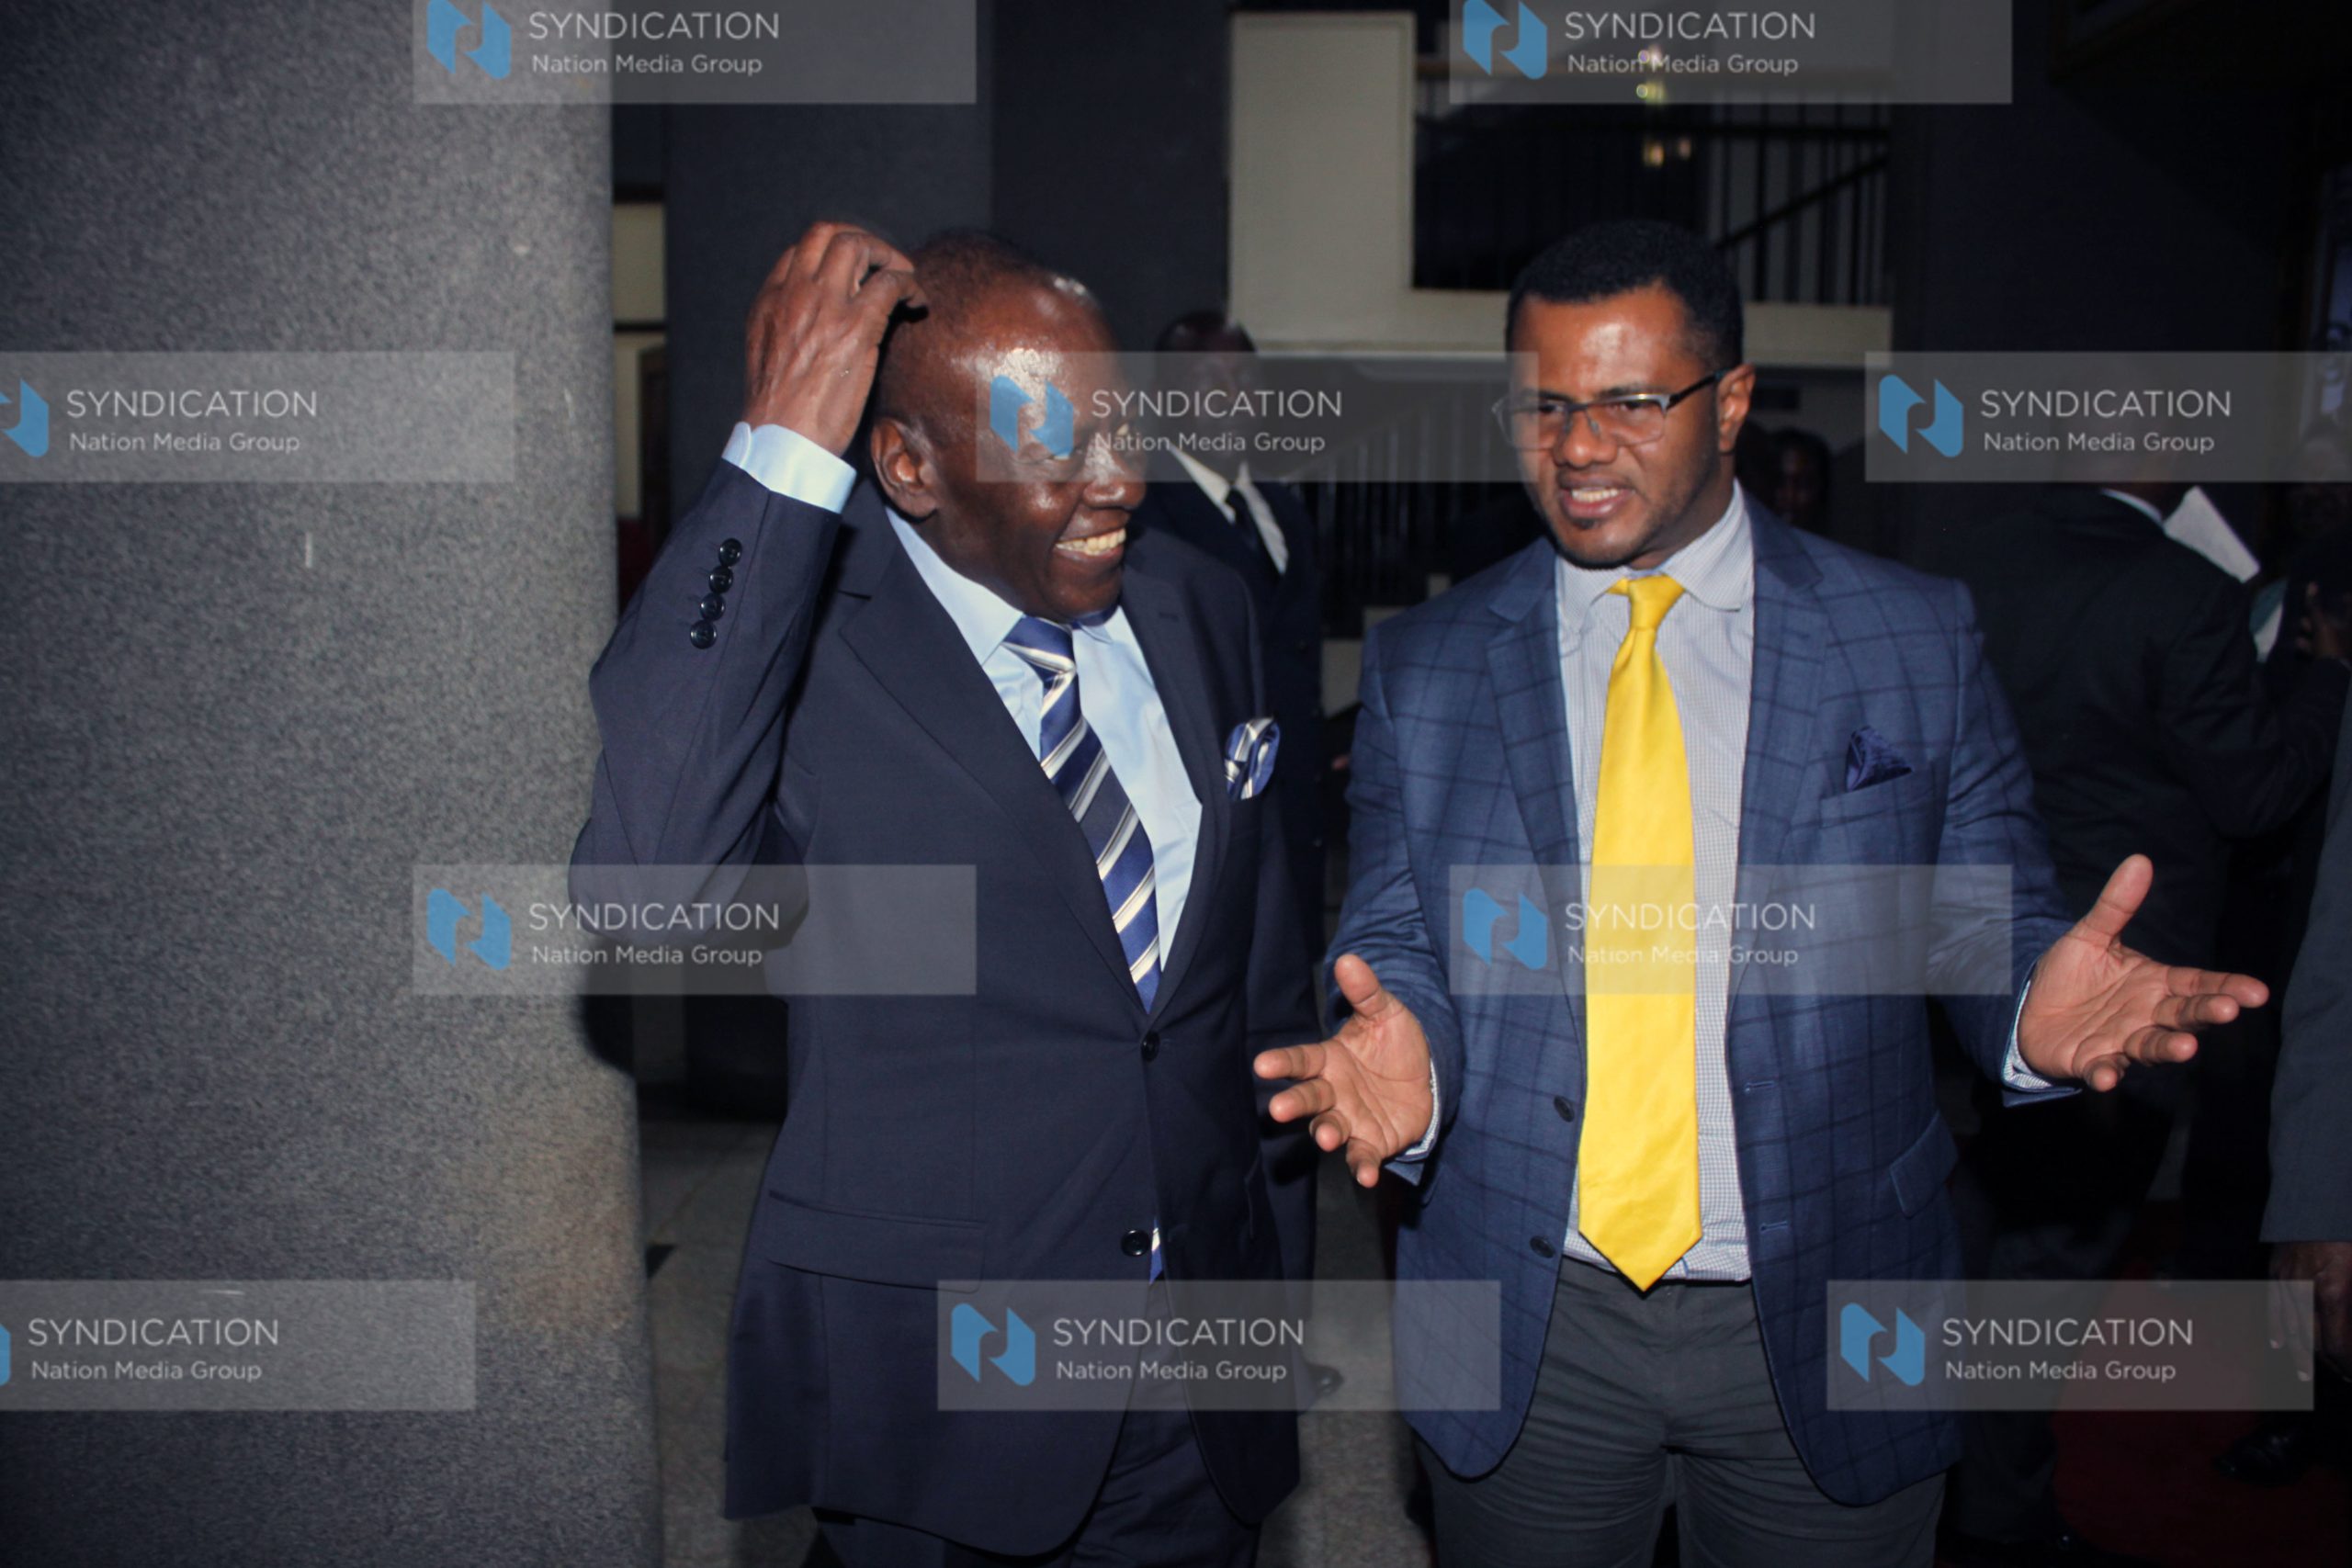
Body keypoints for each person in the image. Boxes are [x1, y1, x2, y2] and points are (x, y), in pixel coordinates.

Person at [1252, 219, 2270, 1566]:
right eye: (1543, 403)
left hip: (1836, 1286)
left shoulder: (1907, 634)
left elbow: (1977, 916)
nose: (1575, 444)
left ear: (1731, 402)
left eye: (1628, 400)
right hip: (1522, 1301)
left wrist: (2027, 1008)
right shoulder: (1430, 663)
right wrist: (1417, 1055)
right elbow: (1391, 931)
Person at [571, 222, 1315, 1566]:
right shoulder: (808, 653)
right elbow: (642, 890)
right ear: (908, 466)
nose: (1124, 481)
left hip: (1199, 1393)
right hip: (947, 1401)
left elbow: (1244, 997)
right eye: (1057, 446)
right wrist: (781, 446)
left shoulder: (1201, 603)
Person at [1943, 481, 2349, 1565]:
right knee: (2043, 1272)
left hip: (1967, 957)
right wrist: (2326, 676)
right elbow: (2253, 793)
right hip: (2120, 982)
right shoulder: (2184, 590)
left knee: (1960, 1245)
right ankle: (1997, 1522)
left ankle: (1941, 1494)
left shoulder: (1970, 559)